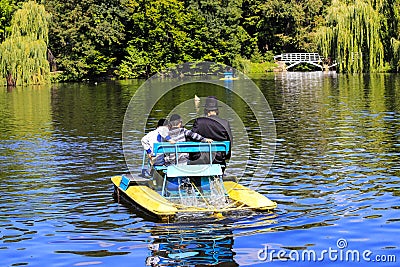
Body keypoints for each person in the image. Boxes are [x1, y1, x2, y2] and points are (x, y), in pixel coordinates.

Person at [190, 96, 232, 171]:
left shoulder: (199, 122)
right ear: (217, 110)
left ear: (206, 110)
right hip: (219, 159)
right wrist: (226, 157)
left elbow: (191, 138)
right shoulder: (225, 123)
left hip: (200, 159)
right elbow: (230, 141)